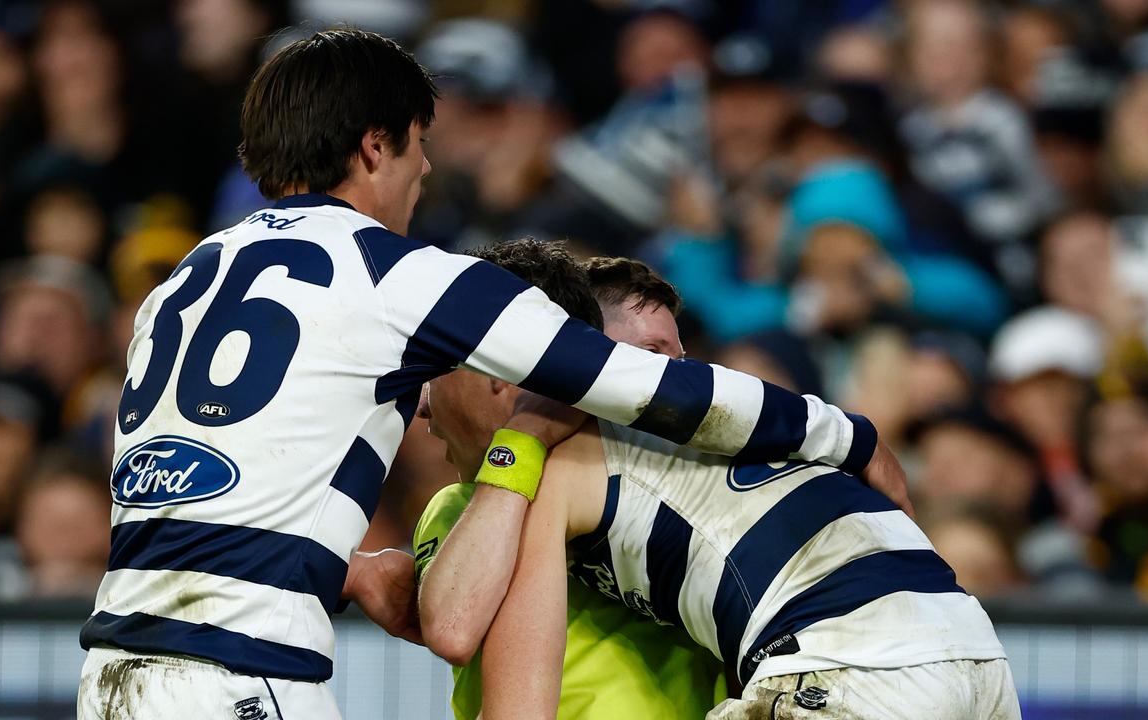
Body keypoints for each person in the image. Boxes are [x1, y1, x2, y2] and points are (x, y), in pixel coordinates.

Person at [75, 29, 905, 719]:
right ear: (374, 146)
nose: (426, 171)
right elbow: (631, 382)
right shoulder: (399, 275)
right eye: (418, 145)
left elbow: (186, 487)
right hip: (240, 677)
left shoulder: (181, 281)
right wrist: (842, 432)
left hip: (110, 674)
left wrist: (350, 565)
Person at [416, 243, 1015, 718]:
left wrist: (521, 443)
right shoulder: (753, 423)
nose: (420, 403)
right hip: (976, 656)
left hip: (843, 666)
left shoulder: (562, 458)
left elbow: (475, 651)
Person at [415, 249, 722, 719]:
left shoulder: (665, 482)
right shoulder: (453, 507)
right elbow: (454, 625)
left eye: (435, 365)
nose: (422, 403)